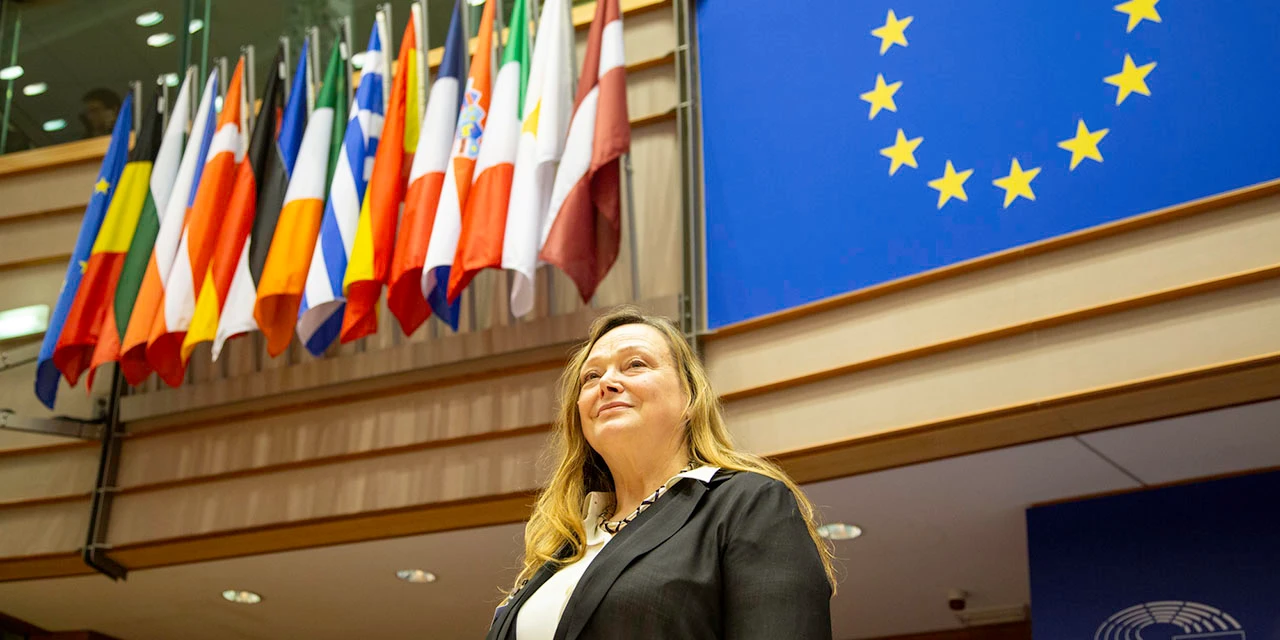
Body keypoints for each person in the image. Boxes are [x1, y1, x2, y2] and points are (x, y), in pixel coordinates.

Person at [486, 307, 836, 640]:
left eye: (635, 364)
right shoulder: (565, 542)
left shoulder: (746, 504)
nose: (606, 382)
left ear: (689, 396)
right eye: (591, 376)